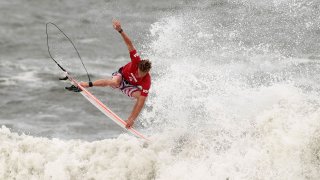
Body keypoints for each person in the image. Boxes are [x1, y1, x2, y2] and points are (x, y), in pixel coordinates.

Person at [79, 20, 152, 129]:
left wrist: (133, 119)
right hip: (121, 76)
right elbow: (129, 44)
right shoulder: (136, 60)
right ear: (138, 66)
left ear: (147, 72)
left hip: (129, 87)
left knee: (143, 98)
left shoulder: (147, 80)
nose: (139, 75)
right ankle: (86, 84)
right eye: (138, 72)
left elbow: (141, 102)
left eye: (142, 74)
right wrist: (120, 30)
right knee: (114, 82)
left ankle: (129, 119)